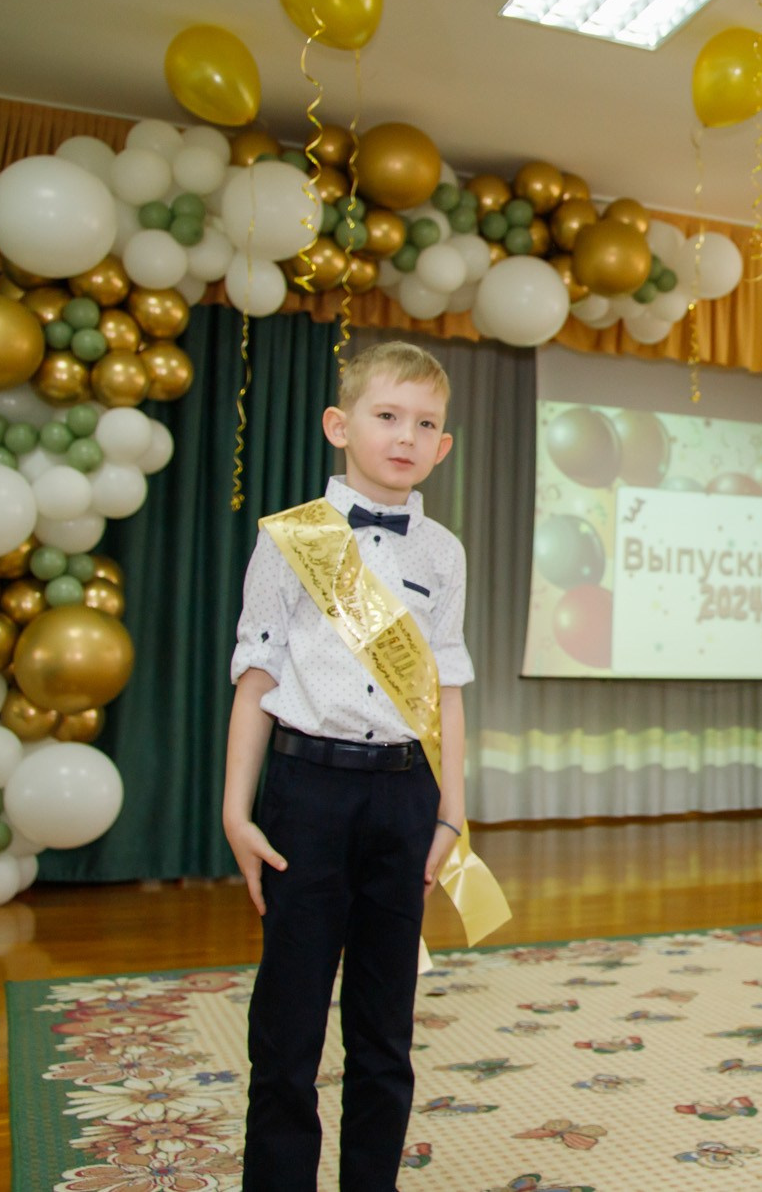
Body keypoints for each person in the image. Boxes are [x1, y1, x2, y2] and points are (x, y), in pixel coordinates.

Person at [222, 340, 479, 1192]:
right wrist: (236, 811)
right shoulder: (293, 538)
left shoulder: (444, 553)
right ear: (340, 425)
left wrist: (451, 812)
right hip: (308, 793)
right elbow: (256, 676)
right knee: (288, 1026)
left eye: (426, 424)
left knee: (384, 1027)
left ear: (443, 445)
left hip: (405, 796)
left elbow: (447, 689)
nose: (406, 436)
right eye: (387, 415)